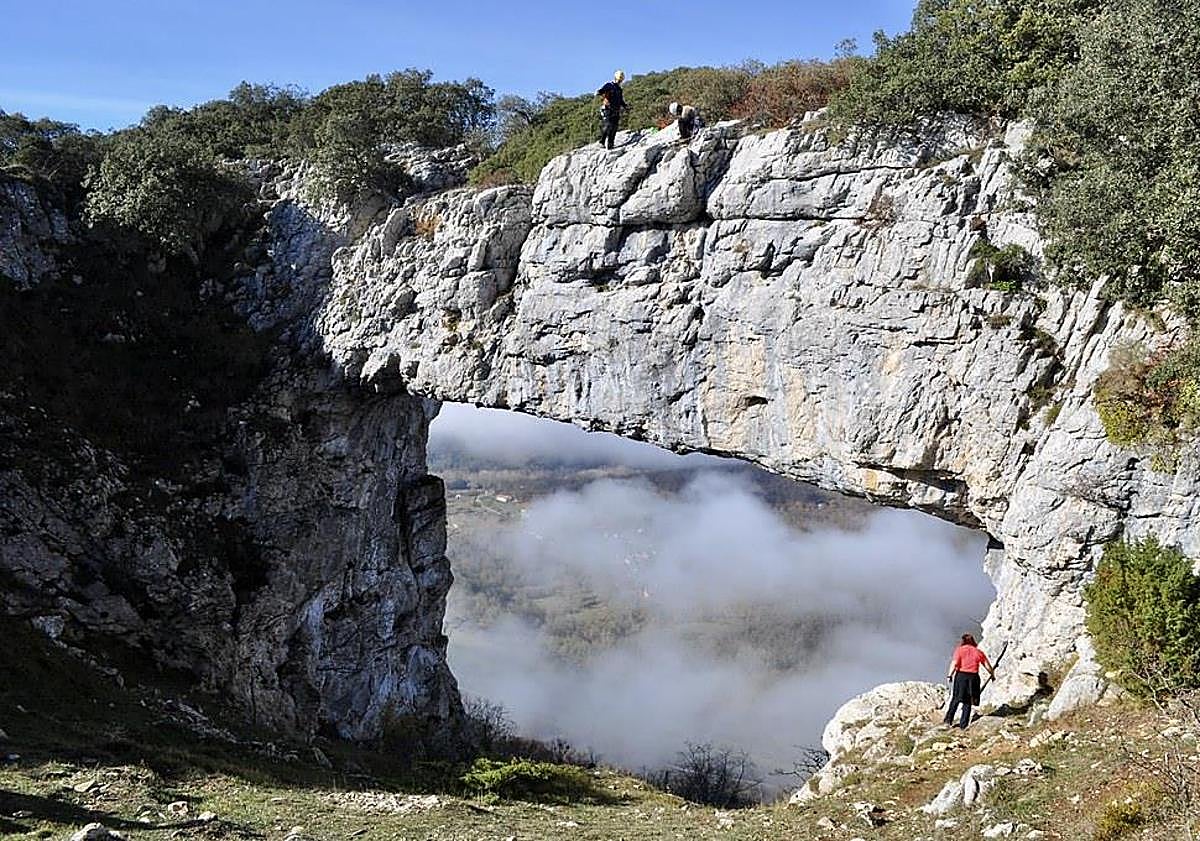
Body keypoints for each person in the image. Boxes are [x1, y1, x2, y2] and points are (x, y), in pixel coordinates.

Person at [943, 633, 995, 729]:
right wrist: (992, 675)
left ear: (963, 641)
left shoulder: (959, 651)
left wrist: (949, 675)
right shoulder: (978, 652)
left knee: (956, 699)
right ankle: (964, 724)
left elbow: (954, 664)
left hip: (961, 676)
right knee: (968, 701)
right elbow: (987, 665)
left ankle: (948, 720)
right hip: (973, 677)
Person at [597, 70, 627, 150]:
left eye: (620, 80)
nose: (619, 81)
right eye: (619, 79)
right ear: (615, 78)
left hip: (616, 110)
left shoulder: (619, 89)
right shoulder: (609, 85)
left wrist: (625, 106)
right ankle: (602, 142)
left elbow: (620, 100)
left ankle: (610, 144)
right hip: (607, 109)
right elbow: (602, 90)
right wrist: (600, 92)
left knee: (614, 127)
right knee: (608, 125)